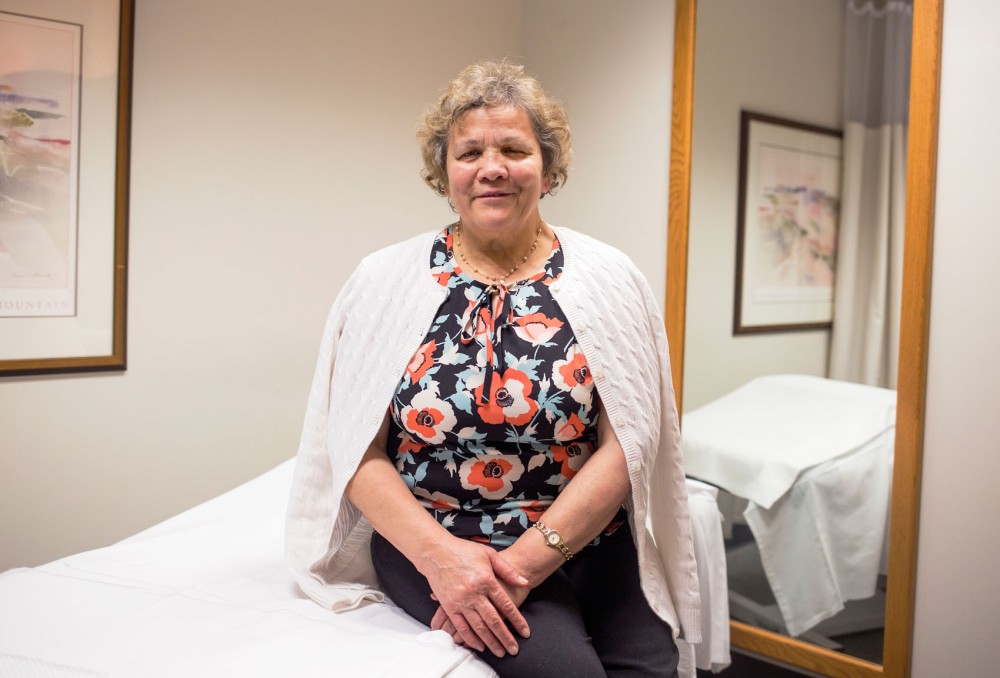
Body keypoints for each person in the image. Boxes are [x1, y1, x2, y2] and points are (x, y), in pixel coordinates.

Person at [285, 59, 700, 677]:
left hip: (589, 542)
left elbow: (630, 441)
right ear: (444, 171)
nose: (492, 168)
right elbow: (352, 449)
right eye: (470, 151)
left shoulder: (609, 278)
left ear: (548, 167)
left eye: (514, 148)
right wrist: (445, 563)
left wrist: (532, 561)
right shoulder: (383, 281)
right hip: (442, 543)